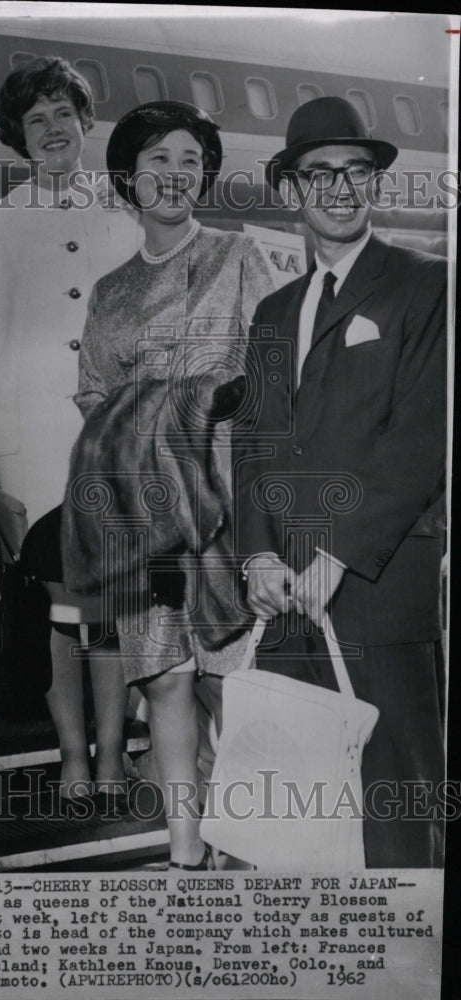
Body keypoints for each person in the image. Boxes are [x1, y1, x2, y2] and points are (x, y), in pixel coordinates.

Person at [235, 96, 446, 867]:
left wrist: (338, 556)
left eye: (355, 171)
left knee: (396, 812)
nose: (338, 188)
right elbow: (253, 445)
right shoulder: (270, 311)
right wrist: (256, 558)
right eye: (317, 173)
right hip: (285, 595)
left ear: (374, 184)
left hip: (374, 588)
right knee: (296, 820)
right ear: (289, 190)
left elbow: (420, 440)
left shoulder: (425, 285)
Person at [74, 101, 274, 868]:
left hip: (224, 500)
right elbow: (92, 392)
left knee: (233, 682)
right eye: (157, 158)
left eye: (189, 160)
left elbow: (272, 372)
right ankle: (184, 853)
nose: (174, 174)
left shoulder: (238, 255)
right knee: (163, 684)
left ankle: (241, 843)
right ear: (128, 175)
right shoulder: (109, 290)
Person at [0, 57, 141, 804]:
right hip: (31, 442)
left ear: (84, 121)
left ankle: (106, 756)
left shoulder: (125, 214)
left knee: (100, 605)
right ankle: (78, 756)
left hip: (115, 436)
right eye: (35, 119)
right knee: (67, 606)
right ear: (18, 137)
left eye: (62, 113)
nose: (51, 130)